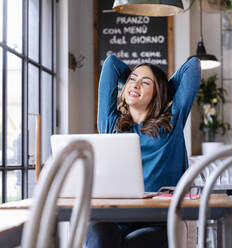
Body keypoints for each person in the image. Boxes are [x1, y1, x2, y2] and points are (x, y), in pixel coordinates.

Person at [84, 55, 201, 248]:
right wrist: (141, 85)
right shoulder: (111, 124)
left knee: (133, 243)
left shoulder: (172, 123)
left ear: (158, 93)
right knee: (99, 236)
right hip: (116, 217)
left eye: (145, 82)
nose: (135, 84)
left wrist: (163, 91)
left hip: (156, 219)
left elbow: (193, 66)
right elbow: (111, 63)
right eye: (132, 79)